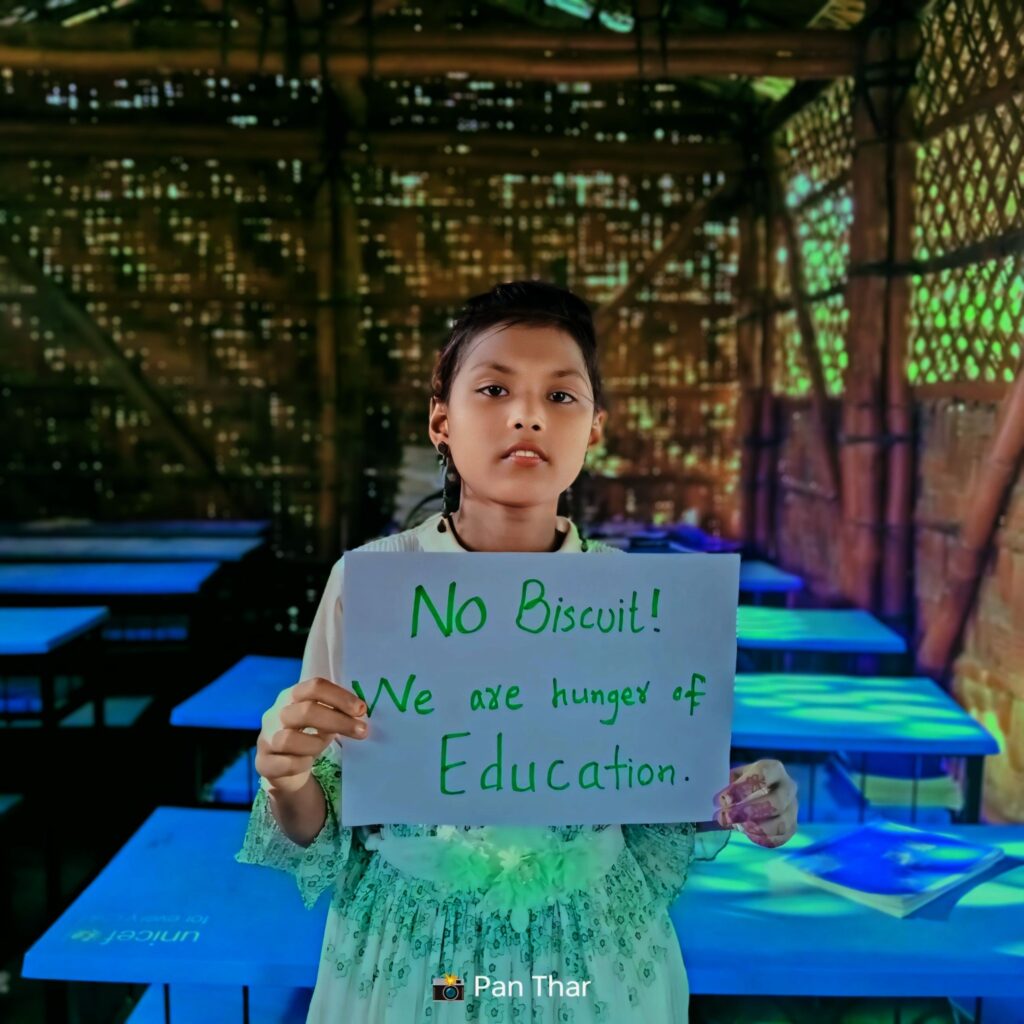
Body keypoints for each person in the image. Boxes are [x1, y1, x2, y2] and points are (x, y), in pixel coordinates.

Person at [235, 280, 799, 1022]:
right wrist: (286, 775)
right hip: (417, 963)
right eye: (494, 388)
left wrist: (743, 800)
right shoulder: (372, 586)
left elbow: (656, 802)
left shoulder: (639, 601)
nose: (527, 413)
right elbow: (324, 825)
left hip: (593, 959)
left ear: (595, 428)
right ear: (441, 420)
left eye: (561, 397)